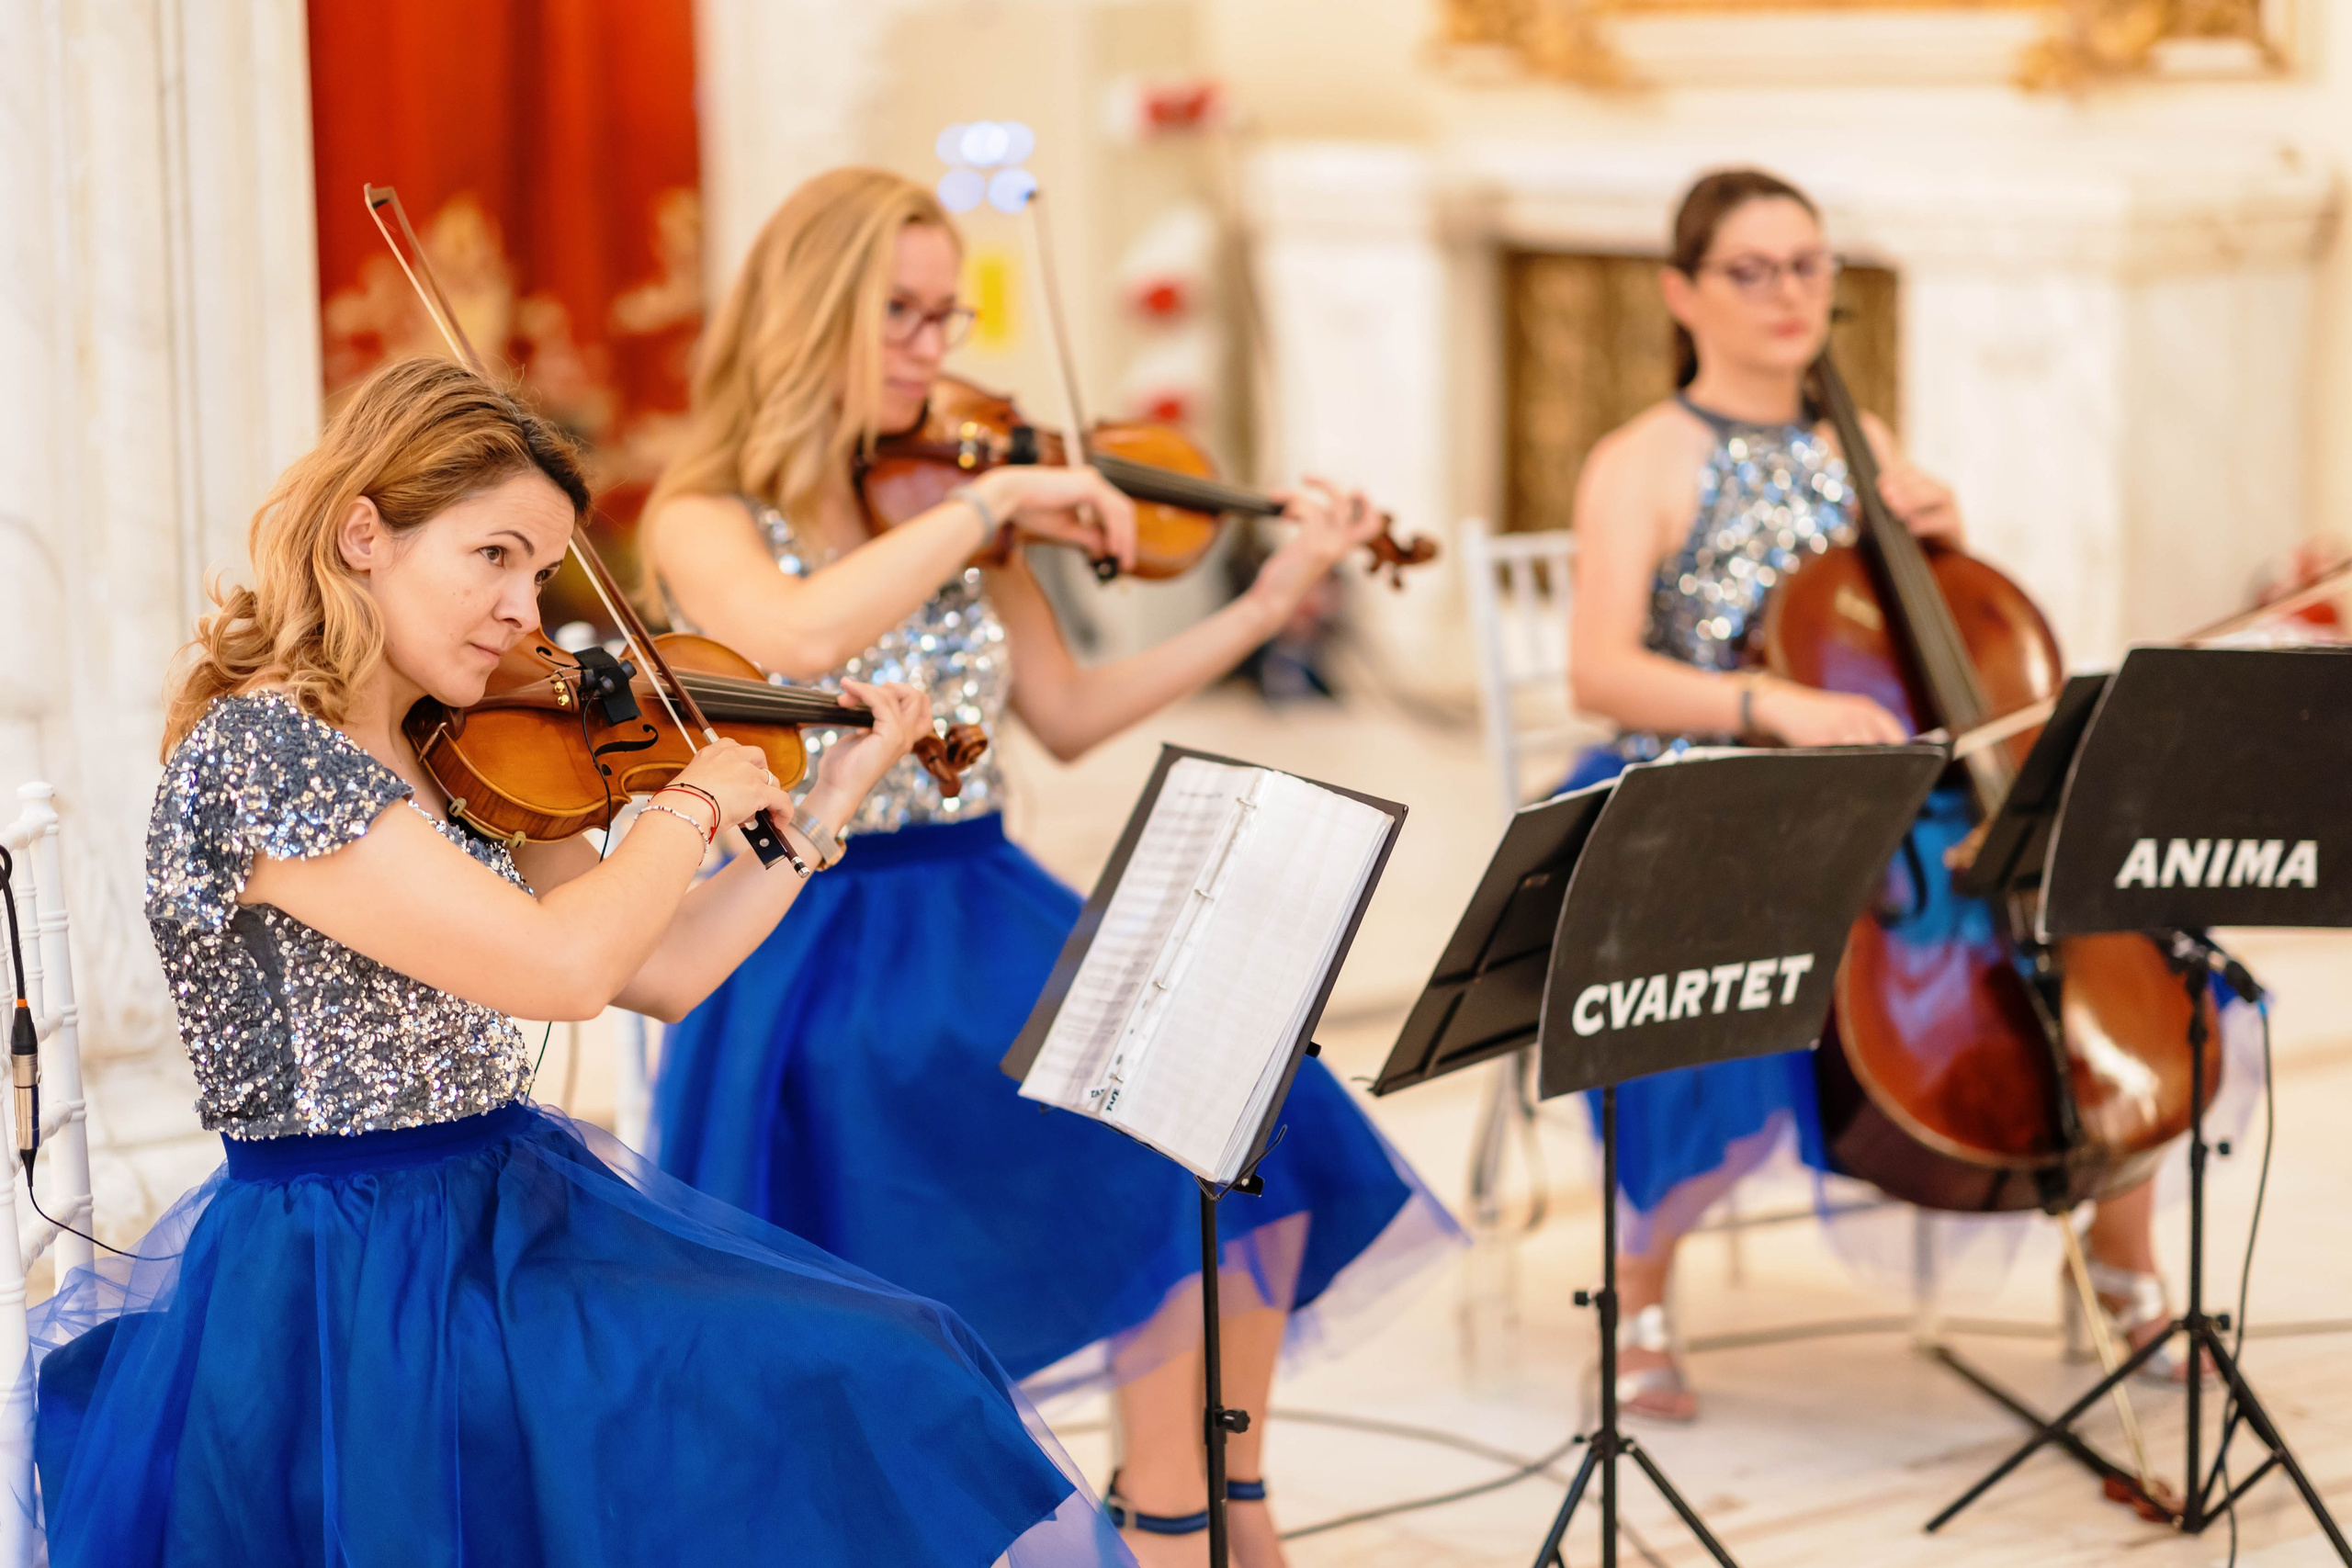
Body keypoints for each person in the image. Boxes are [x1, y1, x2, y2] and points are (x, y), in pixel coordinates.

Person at [28, 357, 1135, 1567]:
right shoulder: (265, 755)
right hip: (358, 1282)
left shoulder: (462, 751)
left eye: (543, 571)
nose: (525, 608)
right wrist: (690, 807)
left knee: (908, 1357)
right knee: (828, 1395)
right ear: (363, 535)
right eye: (493, 555)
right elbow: (562, 972)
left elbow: (657, 970)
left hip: (508, 1213)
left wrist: (831, 804)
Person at [643, 166, 1458, 1567]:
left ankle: (1206, 1507)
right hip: (805, 935)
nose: (931, 345)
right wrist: (989, 505)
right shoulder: (703, 512)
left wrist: (1262, 601)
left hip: (983, 892)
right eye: (897, 312)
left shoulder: (954, 485)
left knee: (1251, 1097)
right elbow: (792, 638)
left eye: (944, 313)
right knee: (1135, 1136)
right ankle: (1183, 1527)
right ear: (809, 311)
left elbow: (1069, 716)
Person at [1563, 167, 2188, 1423]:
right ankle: (1638, 1289)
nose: (1789, 294)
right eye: (1753, 270)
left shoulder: (1870, 445)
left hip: (1896, 795)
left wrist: (1941, 539)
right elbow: (1597, 668)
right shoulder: (1640, 461)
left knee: (2119, 935)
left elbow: (1929, 640)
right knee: (1705, 962)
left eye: (1809, 265)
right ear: (1682, 292)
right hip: (1716, 778)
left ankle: (2128, 1266)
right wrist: (1770, 706)